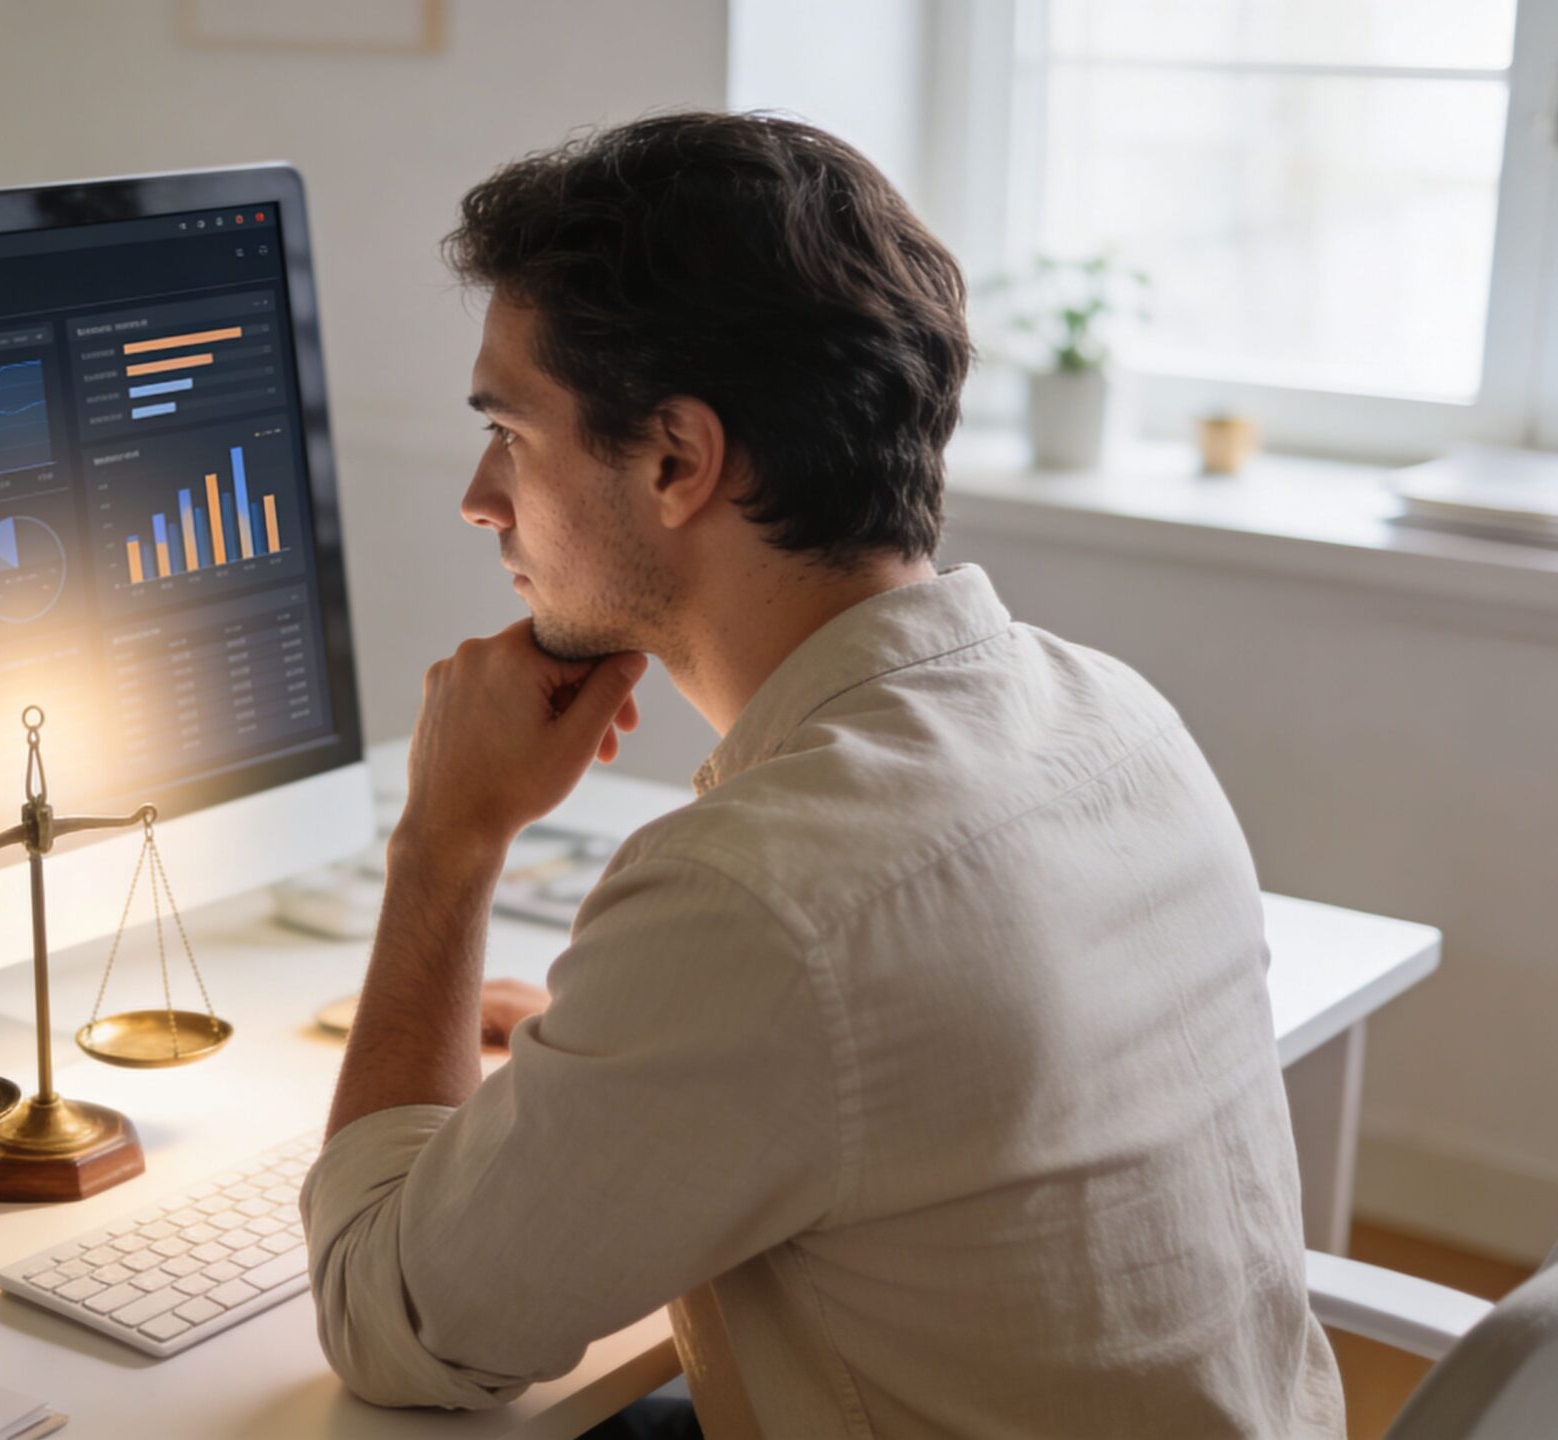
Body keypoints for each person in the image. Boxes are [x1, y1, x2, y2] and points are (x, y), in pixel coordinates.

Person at [300, 112, 1344, 1438]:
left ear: (676, 458)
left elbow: (393, 1325)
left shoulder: (765, 901)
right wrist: (621, 1056)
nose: (479, 496)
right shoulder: (1118, 717)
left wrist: (444, 845)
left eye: (511, 429)